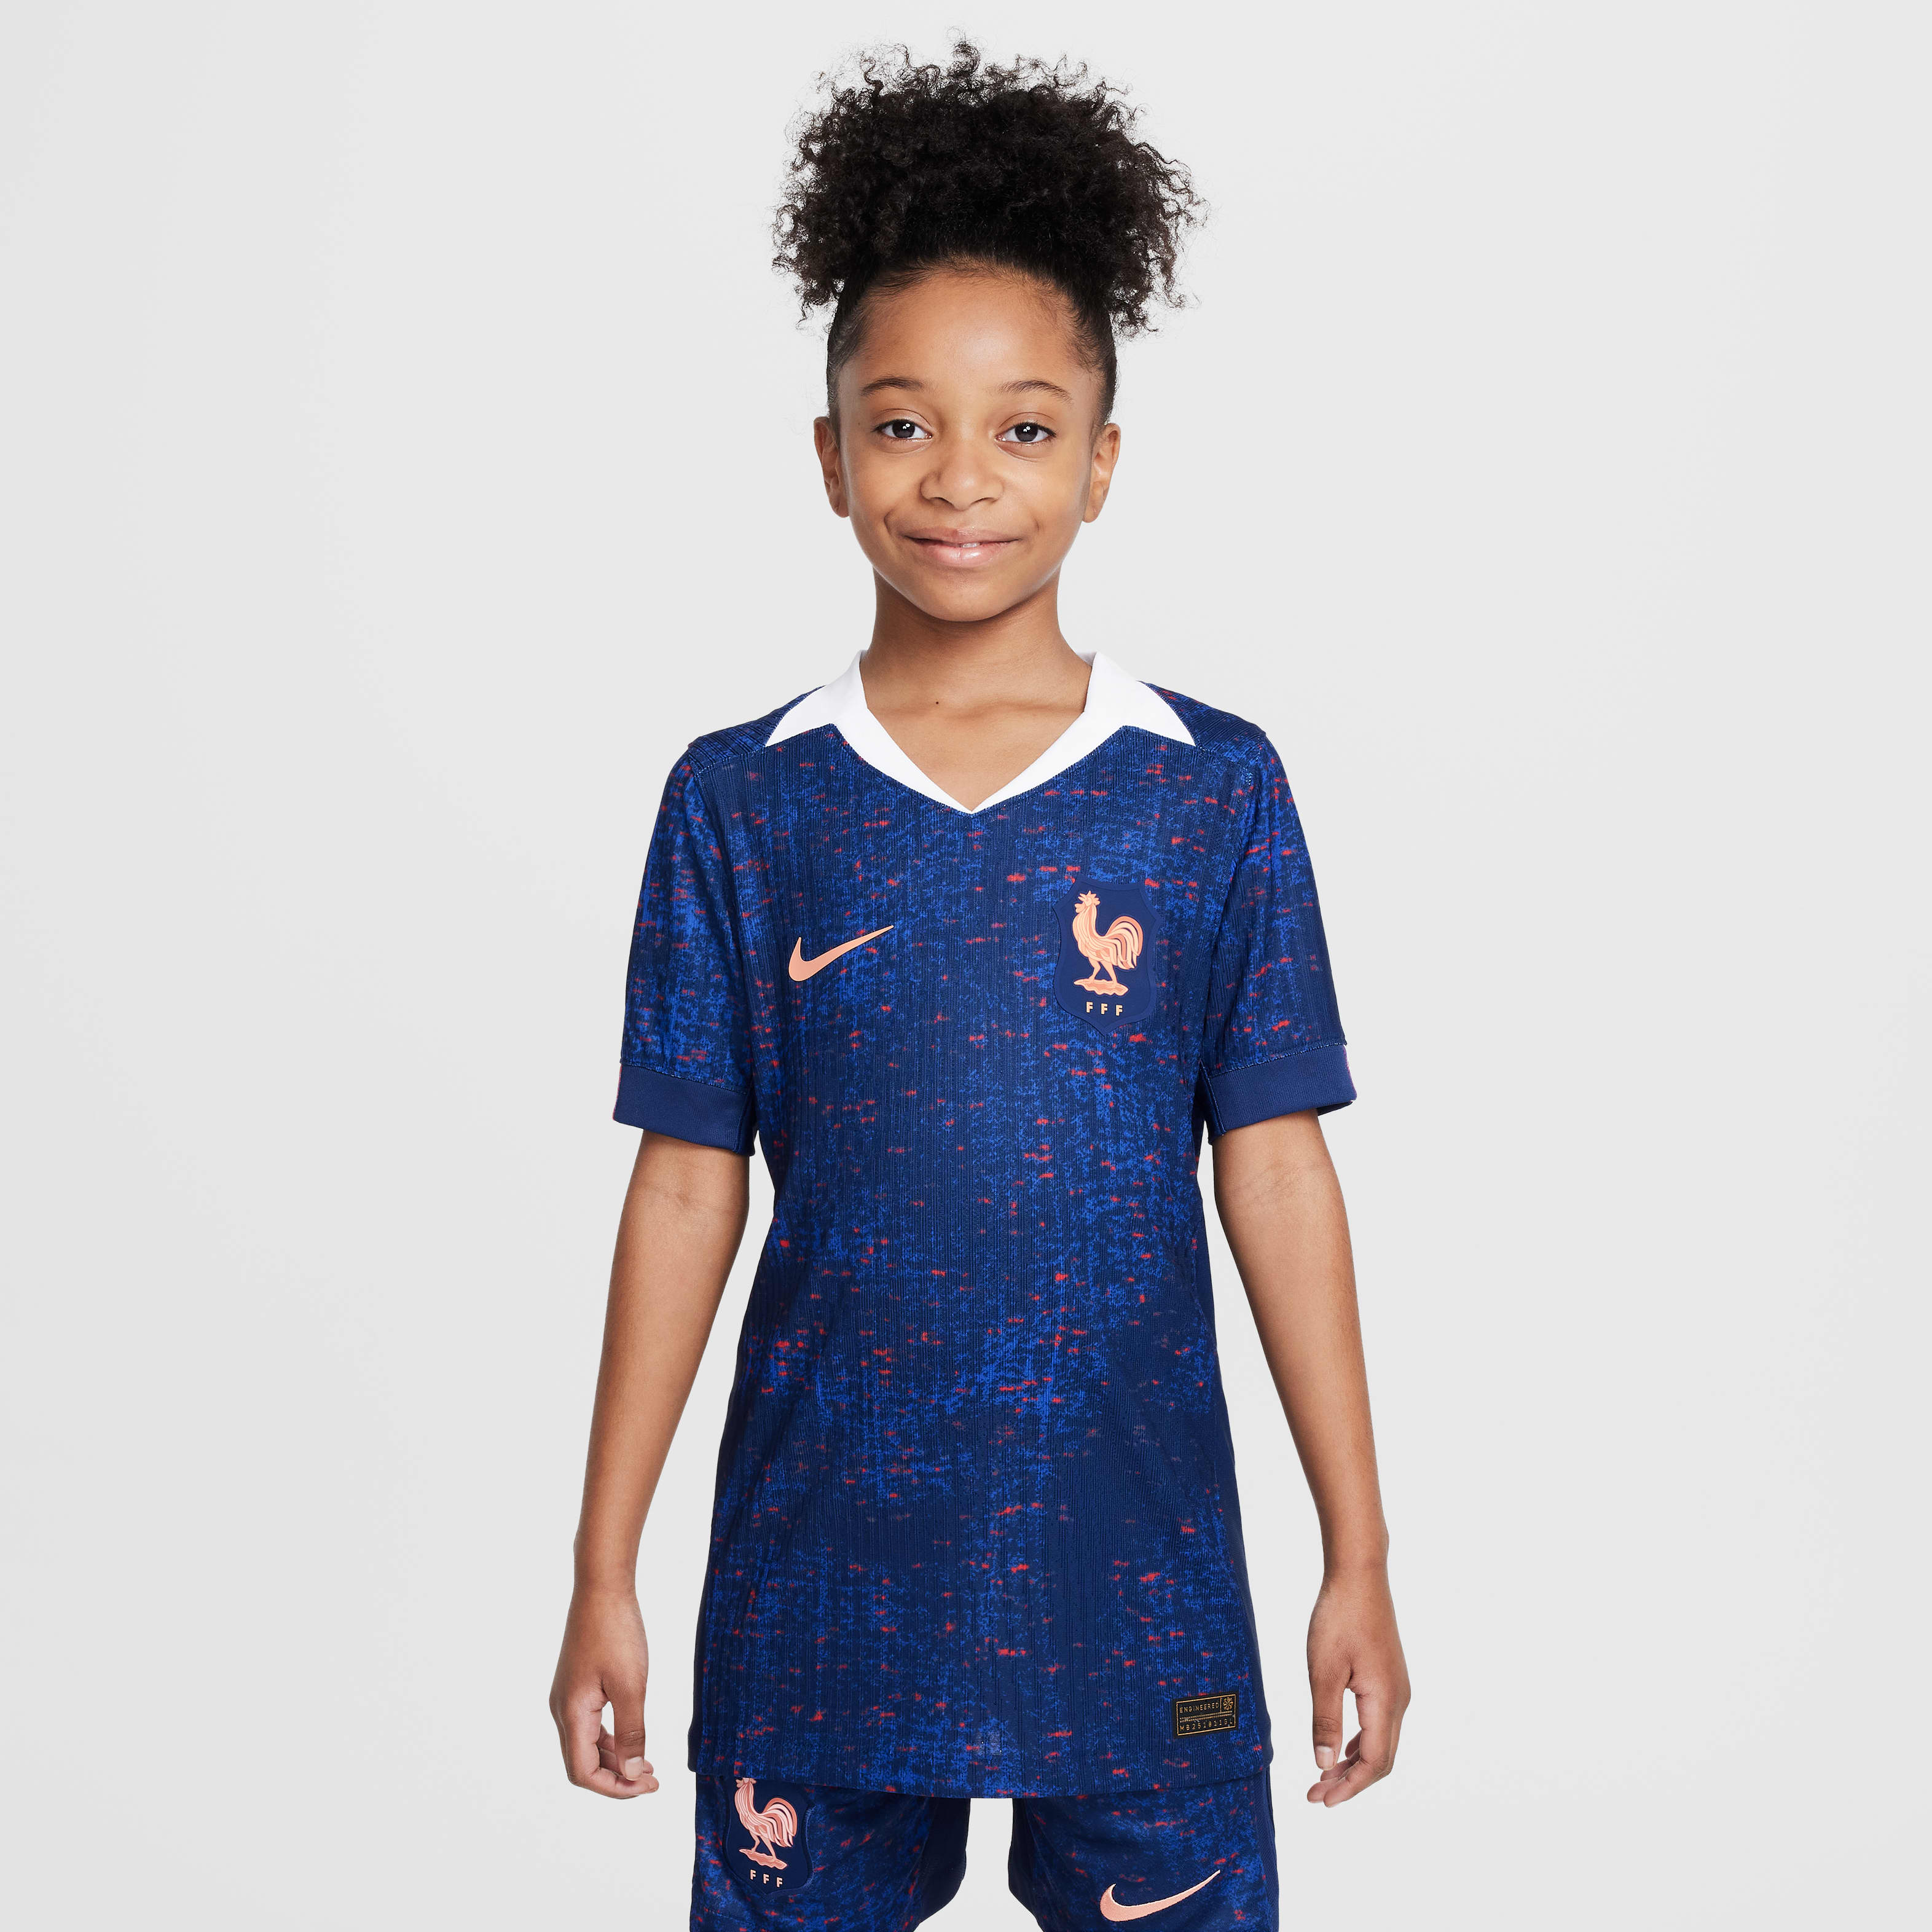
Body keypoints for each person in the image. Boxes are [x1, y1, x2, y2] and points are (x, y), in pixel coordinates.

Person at [549, 42, 1409, 1931]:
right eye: (900, 424)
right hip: (817, 1602)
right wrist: (604, 1563)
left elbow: (1277, 1168)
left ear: (1102, 462)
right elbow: (686, 1187)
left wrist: (1358, 1548)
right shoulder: (744, 800)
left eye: (1023, 429)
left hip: (1141, 1591)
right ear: (830, 457)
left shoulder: (1208, 789)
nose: (958, 479)